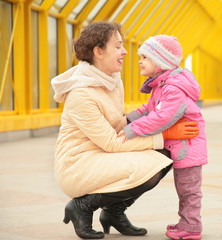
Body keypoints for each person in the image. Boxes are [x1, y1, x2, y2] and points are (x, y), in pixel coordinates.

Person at [51, 22, 199, 239]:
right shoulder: (80, 94)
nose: (125, 51)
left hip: (102, 155)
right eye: (118, 46)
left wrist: (156, 119)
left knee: (164, 155)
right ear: (98, 52)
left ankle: (113, 212)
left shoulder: (112, 80)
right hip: (78, 164)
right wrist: (166, 134)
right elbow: (111, 142)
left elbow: (119, 124)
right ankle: (82, 207)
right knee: (152, 164)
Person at [123, 35, 208, 240]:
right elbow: (149, 108)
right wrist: (128, 119)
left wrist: (131, 129)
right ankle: (186, 222)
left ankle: (191, 227)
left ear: (160, 62)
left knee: (189, 190)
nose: (139, 61)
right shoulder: (162, 84)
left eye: (145, 57)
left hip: (188, 148)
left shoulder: (172, 88)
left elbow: (162, 118)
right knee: (185, 189)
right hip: (181, 147)